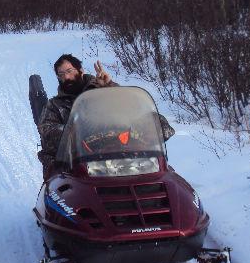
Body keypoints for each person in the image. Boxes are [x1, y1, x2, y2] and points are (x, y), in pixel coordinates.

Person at [36, 54, 174, 178]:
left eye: (69, 71)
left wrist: (108, 87)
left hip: (117, 154)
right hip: (77, 165)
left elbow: (129, 107)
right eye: (61, 74)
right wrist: (79, 131)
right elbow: (48, 131)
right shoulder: (54, 105)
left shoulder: (102, 92)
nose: (66, 77)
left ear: (80, 70)